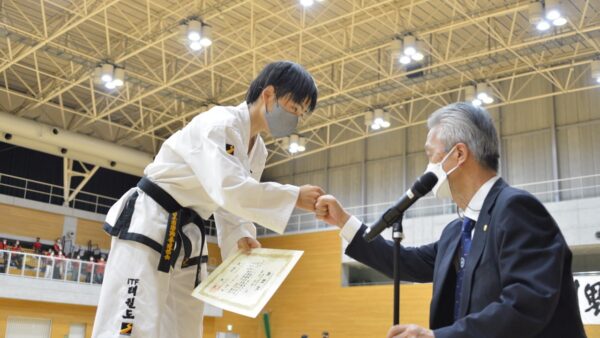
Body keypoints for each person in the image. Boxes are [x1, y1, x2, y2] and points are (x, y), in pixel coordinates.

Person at [92, 61, 324, 338]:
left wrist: (240, 233)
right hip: (152, 220)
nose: (295, 117)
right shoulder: (220, 124)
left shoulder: (257, 149)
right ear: (269, 94)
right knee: (130, 322)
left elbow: (230, 202)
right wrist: (294, 196)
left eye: (300, 113)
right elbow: (229, 188)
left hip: (189, 233)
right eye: (293, 107)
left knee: (185, 328)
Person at [315, 103, 585, 338]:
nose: (428, 166)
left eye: (431, 155)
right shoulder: (457, 231)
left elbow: (527, 303)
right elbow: (404, 261)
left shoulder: (515, 208)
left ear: (458, 154)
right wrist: (344, 221)